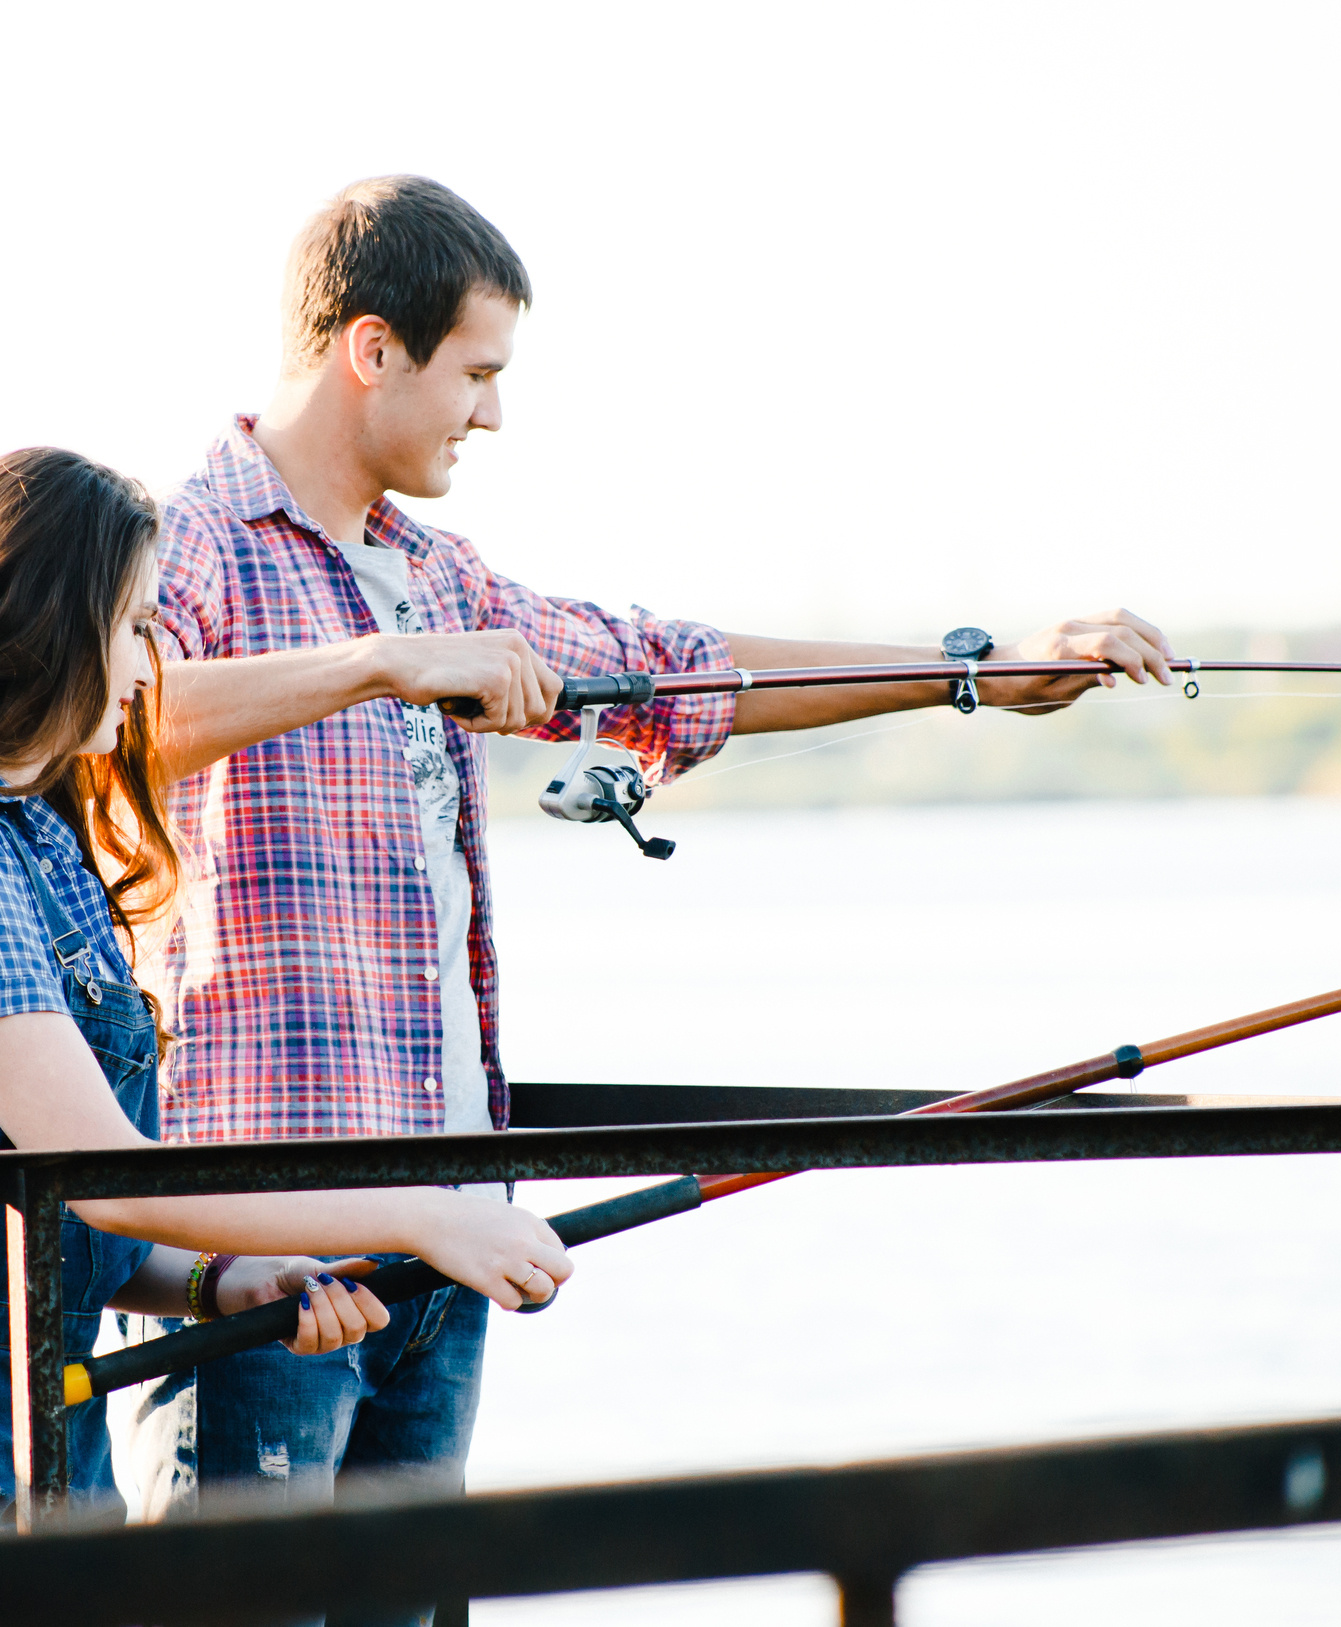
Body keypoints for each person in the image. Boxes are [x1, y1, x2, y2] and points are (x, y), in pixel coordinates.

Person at [128, 178, 1174, 1568]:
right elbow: (113, 719)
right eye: (478, 374)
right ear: (371, 350)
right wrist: (380, 665)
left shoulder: (443, 577)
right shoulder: (179, 537)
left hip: (448, 1239)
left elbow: (677, 664)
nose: (493, 415)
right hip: (266, 1253)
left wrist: (975, 676)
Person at [0, 446, 572, 1554]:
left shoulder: (41, 838)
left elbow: (81, 1215)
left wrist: (227, 1283)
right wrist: (421, 1212)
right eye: (132, 627)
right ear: (47, 629)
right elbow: (106, 1171)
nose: (148, 668)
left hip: (30, 1365)